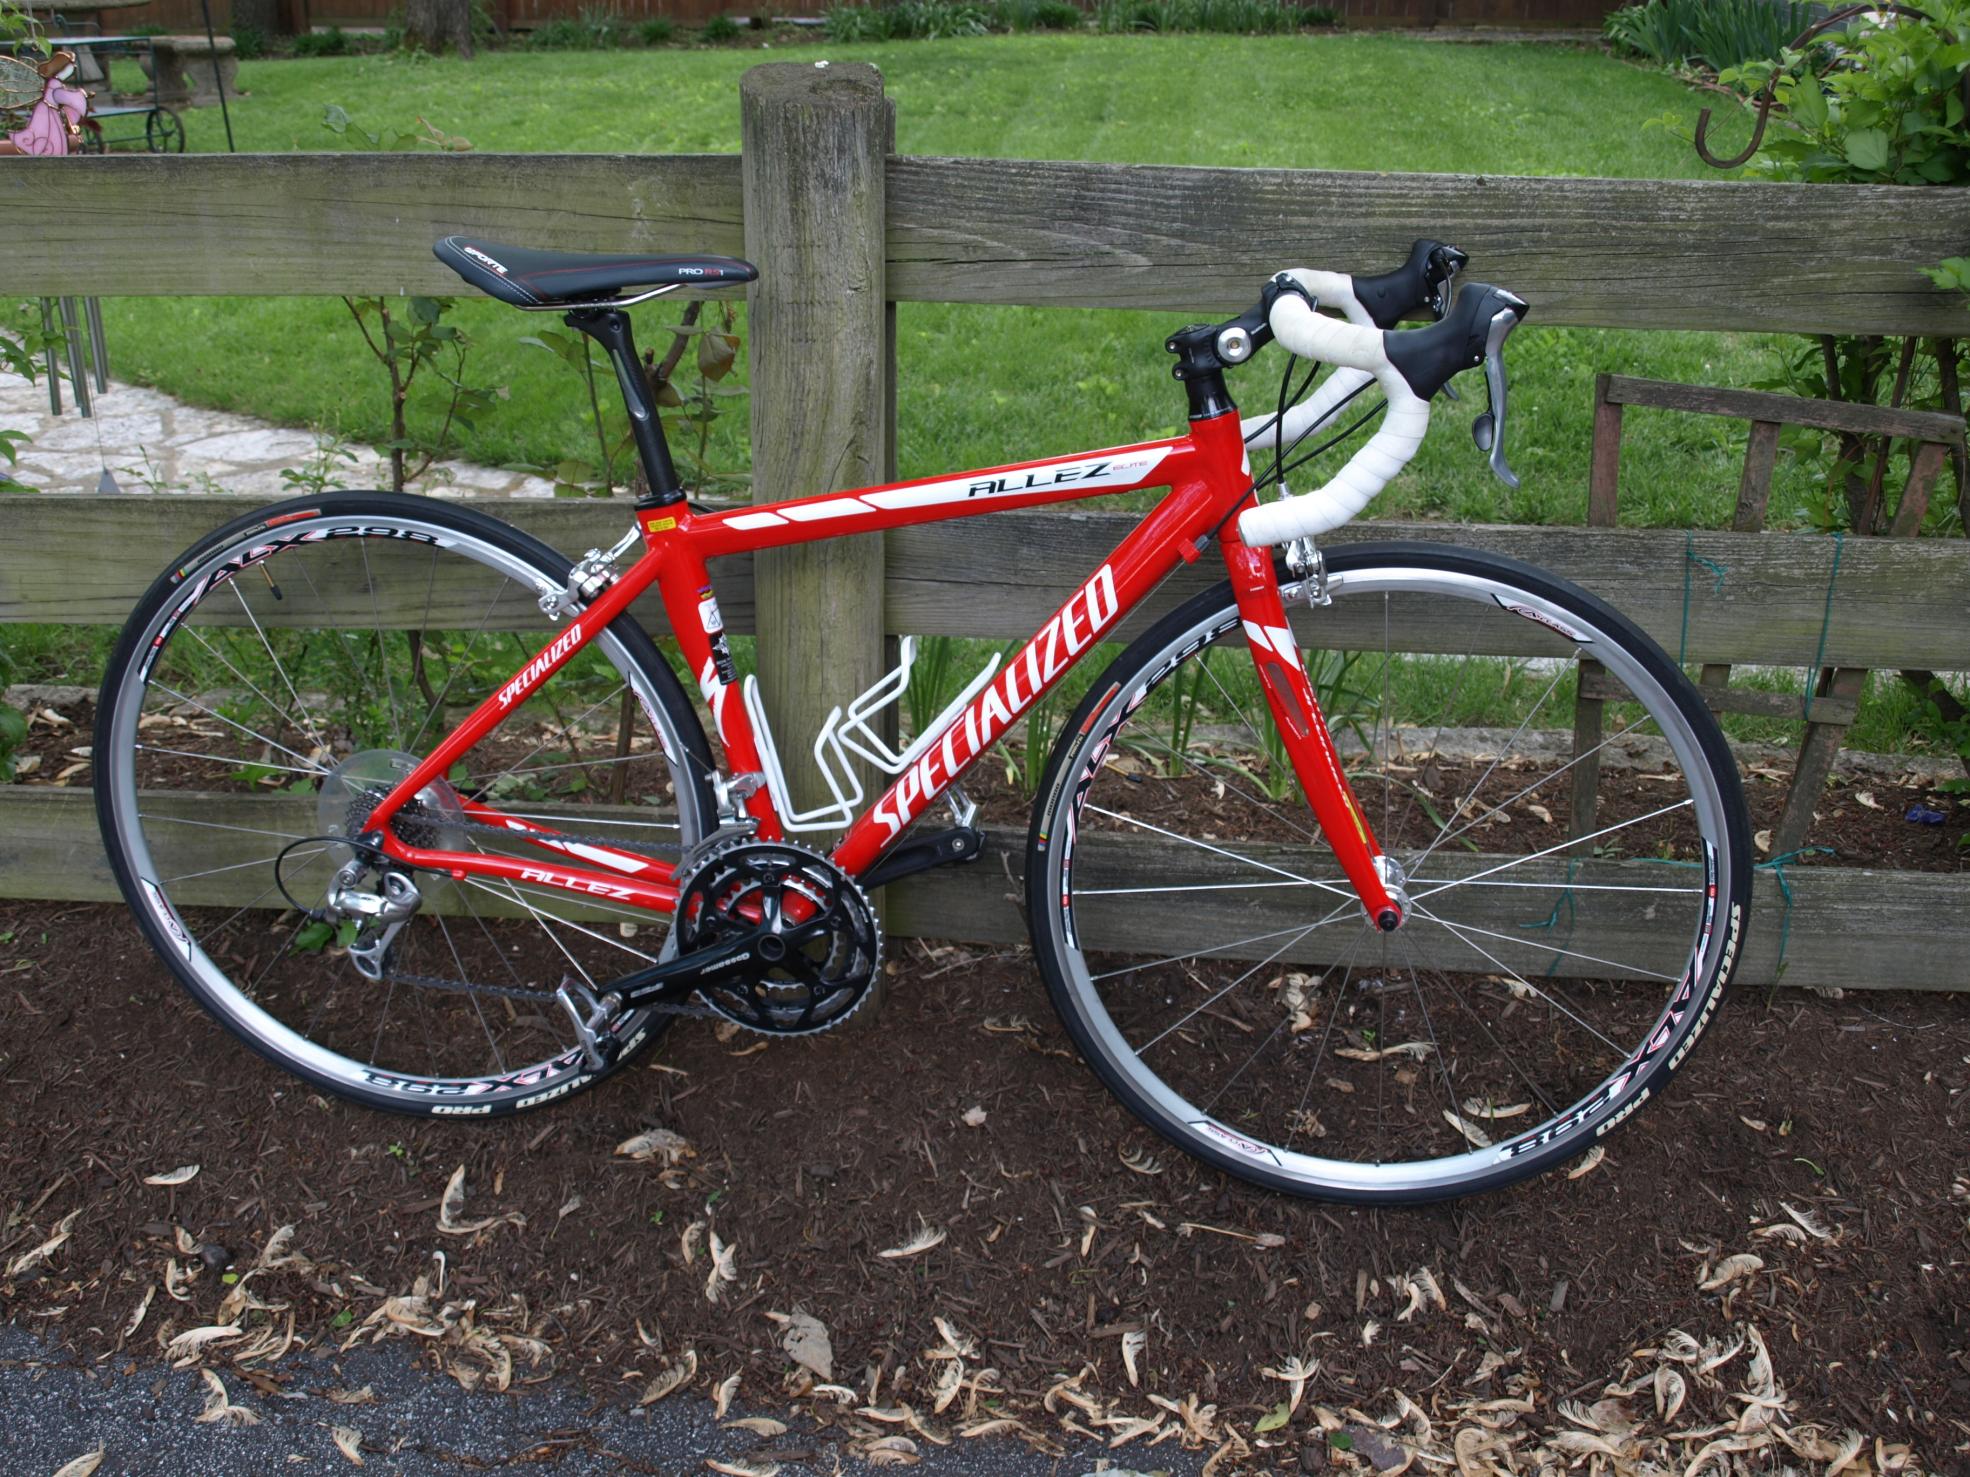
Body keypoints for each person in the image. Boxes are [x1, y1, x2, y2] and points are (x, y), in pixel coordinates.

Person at [0, 51, 88, 156]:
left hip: (48, 110)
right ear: (60, 70)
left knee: (50, 134)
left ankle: (48, 151)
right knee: (49, 133)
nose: (72, 70)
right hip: (47, 112)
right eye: (69, 68)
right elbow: (61, 96)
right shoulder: (54, 83)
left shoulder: (55, 83)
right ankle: (48, 151)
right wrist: (80, 95)